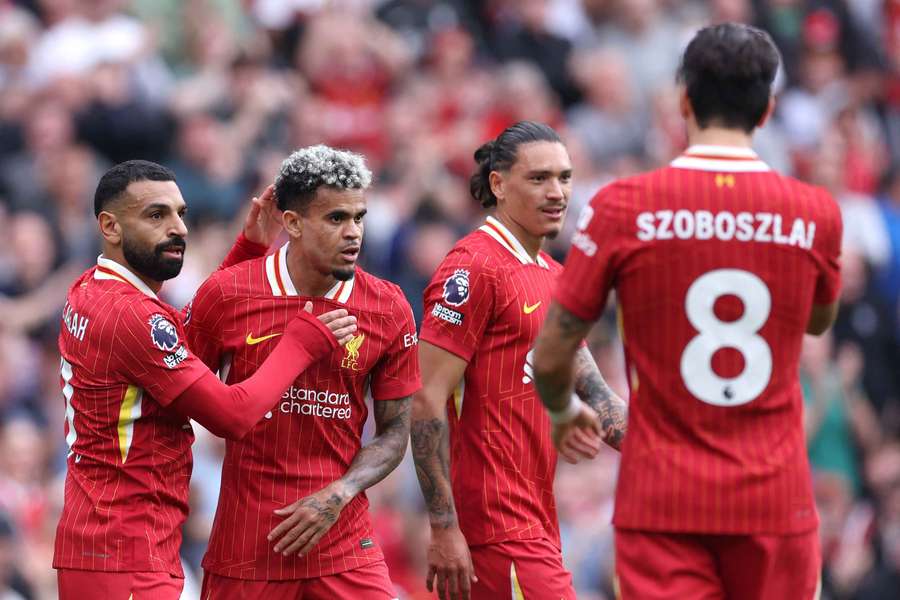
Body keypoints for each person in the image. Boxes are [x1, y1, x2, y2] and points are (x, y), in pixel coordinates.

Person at [533, 23, 843, 599]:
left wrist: (560, 409)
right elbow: (817, 322)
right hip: (775, 499)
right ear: (768, 109)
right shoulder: (815, 213)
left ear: (683, 102)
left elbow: (552, 352)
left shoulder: (623, 207)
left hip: (663, 500)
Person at [54, 160, 357, 600]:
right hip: (127, 552)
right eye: (156, 215)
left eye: (181, 213)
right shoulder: (132, 315)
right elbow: (232, 416)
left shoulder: (91, 288)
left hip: (103, 544)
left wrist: (247, 252)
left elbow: (179, 348)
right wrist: (303, 342)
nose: (178, 228)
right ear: (110, 227)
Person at [185, 145, 420, 599]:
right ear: (292, 223)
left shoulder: (387, 307)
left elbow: (394, 434)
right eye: (336, 219)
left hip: (344, 542)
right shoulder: (232, 293)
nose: (354, 233)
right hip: (248, 550)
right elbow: (173, 387)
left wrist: (339, 494)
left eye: (359, 217)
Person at [412, 121, 627, 600]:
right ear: (498, 184)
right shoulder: (473, 267)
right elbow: (425, 399)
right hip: (494, 528)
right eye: (539, 178)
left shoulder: (555, 276)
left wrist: (681, 458)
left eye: (565, 178)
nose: (557, 193)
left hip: (536, 521)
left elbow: (598, 395)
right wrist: (444, 528)